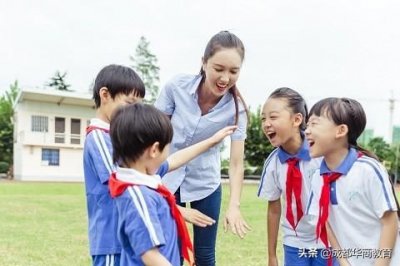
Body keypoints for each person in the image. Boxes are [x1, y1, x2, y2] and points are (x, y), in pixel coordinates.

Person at [83, 64, 214, 266]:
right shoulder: (100, 137)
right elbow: (119, 185)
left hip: (130, 235)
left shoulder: (134, 155)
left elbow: (169, 162)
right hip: (112, 240)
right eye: (129, 102)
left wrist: (212, 140)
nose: (134, 111)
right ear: (105, 95)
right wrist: (177, 210)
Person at [155, 30, 251, 265]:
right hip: (167, 177)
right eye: (219, 69)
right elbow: (153, 134)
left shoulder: (237, 110)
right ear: (204, 63)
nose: (225, 78)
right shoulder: (176, 87)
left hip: (205, 183)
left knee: (205, 256)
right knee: (170, 251)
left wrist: (234, 206)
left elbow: (237, 163)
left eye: (233, 71)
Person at [107, 103, 237, 266]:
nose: (169, 152)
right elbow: (150, 255)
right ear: (154, 150)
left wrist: (211, 141)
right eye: (167, 146)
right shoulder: (139, 196)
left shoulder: (144, 176)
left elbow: (176, 160)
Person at [305, 97, 400, 266]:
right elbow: (325, 222)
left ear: (340, 131)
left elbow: (390, 221)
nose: (307, 131)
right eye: (307, 125)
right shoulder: (318, 177)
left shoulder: (368, 170)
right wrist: (343, 261)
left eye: (314, 123)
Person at [257, 88, 334, 266]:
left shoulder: (322, 154)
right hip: (294, 241)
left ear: (297, 119)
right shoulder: (273, 164)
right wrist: (271, 256)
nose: (266, 123)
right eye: (263, 118)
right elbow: (274, 209)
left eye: (273, 117)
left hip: (328, 239)